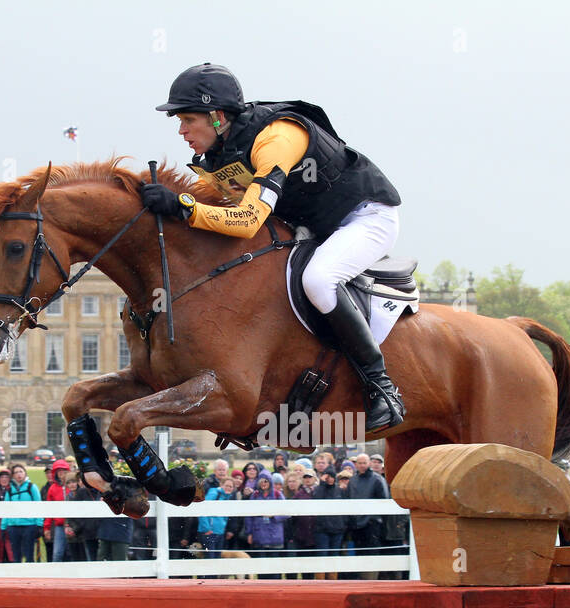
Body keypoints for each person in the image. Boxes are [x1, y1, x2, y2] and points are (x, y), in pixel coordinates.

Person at [144, 63, 405, 431]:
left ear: (218, 117)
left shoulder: (277, 137)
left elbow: (247, 220)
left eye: (188, 119)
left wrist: (183, 208)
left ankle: (381, 387)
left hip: (364, 217)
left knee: (318, 280)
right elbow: (229, 214)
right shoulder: (217, 155)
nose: (182, 130)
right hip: (310, 225)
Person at [345, 452, 388, 579]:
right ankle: (362, 579)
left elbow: (384, 500)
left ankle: (372, 579)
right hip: (356, 523)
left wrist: (373, 518)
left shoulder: (377, 479)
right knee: (359, 552)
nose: (362, 465)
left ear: (368, 464)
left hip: (372, 523)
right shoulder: (352, 480)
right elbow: (348, 500)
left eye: (364, 463)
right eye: (360, 463)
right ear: (356, 465)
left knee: (372, 552)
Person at [244, 469, 286, 578]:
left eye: (266, 481)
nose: (263, 484)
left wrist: (274, 516)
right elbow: (249, 516)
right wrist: (249, 533)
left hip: (275, 536)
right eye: (261, 481)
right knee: (261, 567)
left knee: (274, 568)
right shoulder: (255, 496)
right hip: (259, 536)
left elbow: (287, 512)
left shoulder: (277, 495)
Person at [2, 463, 43, 562]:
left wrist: (39, 524)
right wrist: (3, 527)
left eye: (21, 471)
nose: (19, 474)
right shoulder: (10, 490)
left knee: (29, 554)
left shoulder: (31, 487)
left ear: (25, 473)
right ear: (13, 475)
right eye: (16, 472)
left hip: (29, 525)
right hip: (13, 526)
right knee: (16, 555)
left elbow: (39, 506)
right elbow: (6, 509)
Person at [43, 460, 71, 563]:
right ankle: (57, 576)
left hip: (73, 524)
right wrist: (46, 527)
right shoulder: (53, 489)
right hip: (59, 525)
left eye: (63, 471)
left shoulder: (72, 486)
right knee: (57, 553)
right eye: (58, 471)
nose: (61, 473)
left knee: (71, 552)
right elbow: (49, 510)